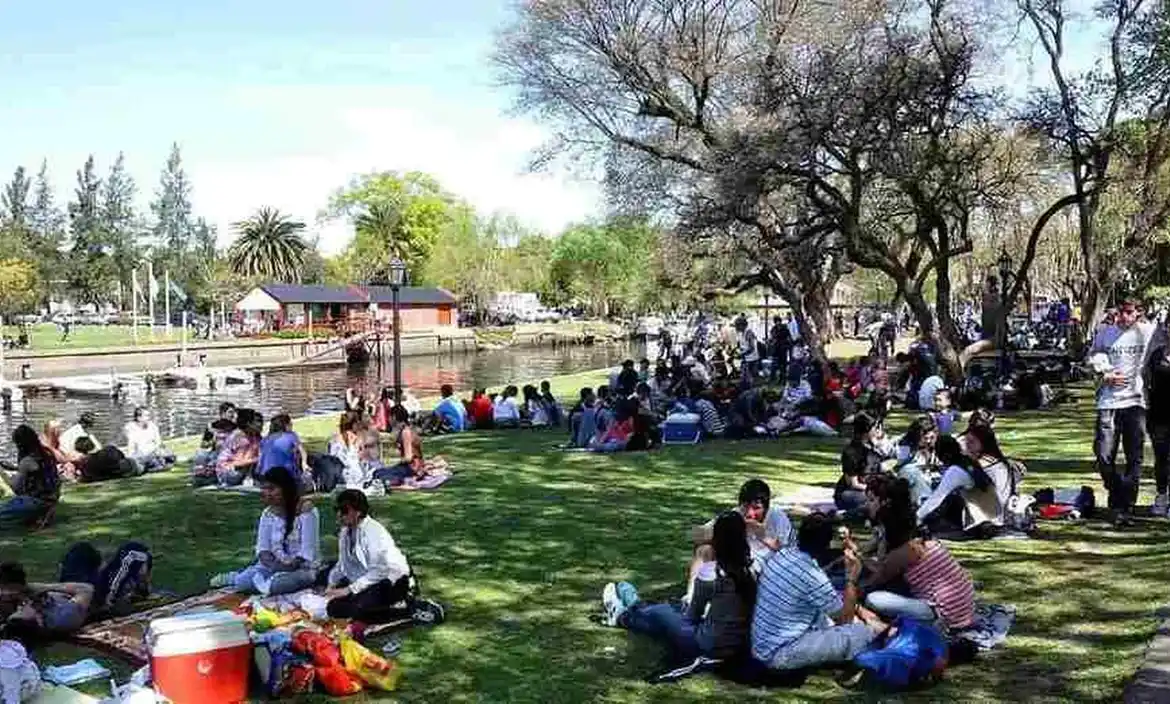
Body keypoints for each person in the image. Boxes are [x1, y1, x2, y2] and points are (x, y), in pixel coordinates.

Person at [602, 511, 757, 661]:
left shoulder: (711, 572)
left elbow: (693, 616)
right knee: (661, 617)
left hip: (702, 645)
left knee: (660, 613)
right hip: (736, 647)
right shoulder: (751, 571)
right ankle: (632, 604)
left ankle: (622, 615)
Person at [751, 513, 877, 671]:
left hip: (763, 645)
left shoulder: (782, 555)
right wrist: (851, 578)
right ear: (825, 546)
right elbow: (845, 620)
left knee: (831, 619)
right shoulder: (811, 575)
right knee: (861, 633)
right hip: (781, 652)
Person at [859, 477, 976, 632]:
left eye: (871, 500)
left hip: (943, 614)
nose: (867, 505)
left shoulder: (907, 549)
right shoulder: (917, 536)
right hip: (960, 608)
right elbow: (882, 566)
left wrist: (852, 583)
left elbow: (876, 579)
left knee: (872, 599)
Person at [1089, 299, 1161, 526]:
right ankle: (1117, 490)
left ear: (1139, 313)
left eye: (1129, 312)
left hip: (1136, 401)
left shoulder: (1149, 332)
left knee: (1134, 457)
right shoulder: (1105, 332)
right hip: (1108, 402)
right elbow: (1093, 356)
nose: (1124, 316)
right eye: (1121, 312)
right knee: (1103, 454)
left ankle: (1125, 506)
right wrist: (1105, 373)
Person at [1, 542, 152, 638]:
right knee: (132, 552)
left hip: (67, 587)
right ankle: (133, 582)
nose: (21, 607)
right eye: (22, 611)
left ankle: (105, 574)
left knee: (80, 550)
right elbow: (86, 589)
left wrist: (21, 591)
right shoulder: (59, 618)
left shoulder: (16, 606)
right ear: (38, 621)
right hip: (94, 596)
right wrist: (41, 587)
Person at [210, 466, 320, 595]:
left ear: (286, 489)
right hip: (273, 566)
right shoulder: (267, 514)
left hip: (302, 569)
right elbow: (263, 549)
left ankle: (263, 582)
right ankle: (237, 577)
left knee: (277, 586)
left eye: (272, 489)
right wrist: (273, 566)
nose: (266, 493)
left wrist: (286, 567)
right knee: (242, 583)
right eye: (264, 488)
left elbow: (307, 552)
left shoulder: (306, 511)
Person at [323, 490, 417, 623]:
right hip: (367, 578)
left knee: (356, 611)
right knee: (333, 607)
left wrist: (349, 590)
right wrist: (331, 584)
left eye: (344, 510)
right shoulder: (345, 532)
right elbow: (342, 563)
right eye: (337, 510)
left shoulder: (372, 532)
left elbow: (380, 571)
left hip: (392, 580)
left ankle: (405, 609)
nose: (339, 515)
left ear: (358, 512)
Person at [691, 479, 794, 581]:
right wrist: (721, 533)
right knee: (705, 550)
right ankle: (692, 592)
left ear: (766, 507)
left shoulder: (778, 517)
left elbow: (787, 552)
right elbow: (698, 534)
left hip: (768, 567)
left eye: (756, 508)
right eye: (745, 507)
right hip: (739, 561)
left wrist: (763, 536)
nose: (750, 513)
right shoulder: (736, 514)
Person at [834, 413, 894, 516]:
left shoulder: (875, 447)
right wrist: (874, 491)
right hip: (852, 491)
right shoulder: (851, 452)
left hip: (873, 489)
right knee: (877, 502)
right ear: (866, 431)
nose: (877, 430)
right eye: (875, 428)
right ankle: (846, 515)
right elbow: (853, 484)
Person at [0, 425, 61, 527]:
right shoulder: (47, 453)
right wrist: (15, 468)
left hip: (35, 502)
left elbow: (16, 489)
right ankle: (40, 516)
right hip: (53, 498)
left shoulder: (26, 461)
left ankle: (37, 515)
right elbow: (39, 472)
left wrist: (2, 472)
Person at [895, 416, 939, 506]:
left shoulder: (934, 446)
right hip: (911, 477)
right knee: (911, 471)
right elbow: (902, 467)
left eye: (931, 438)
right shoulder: (905, 445)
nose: (928, 441)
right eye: (925, 438)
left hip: (930, 476)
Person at [258, 414, 309, 483]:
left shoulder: (264, 439)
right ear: (285, 425)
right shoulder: (291, 436)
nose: (292, 425)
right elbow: (302, 451)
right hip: (286, 475)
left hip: (264, 475)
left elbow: (260, 458)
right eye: (290, 424)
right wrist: (304, 463)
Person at [123, 407, 175, 473]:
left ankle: (158, 464)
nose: (149, 418)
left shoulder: (152, 426)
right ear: (139, 418)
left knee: (169, 455)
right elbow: (131, 445)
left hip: (153, 452)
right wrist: (130, 458)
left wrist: (158, 451)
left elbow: (158, 442)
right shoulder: (131, 427)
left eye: (149, 415)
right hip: (140, 454)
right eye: (146, 416)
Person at [329, 411, 367, 490]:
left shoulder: (334, 438)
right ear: (354, 424)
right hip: (355, 471)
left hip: (336, 471)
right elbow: (361, 457)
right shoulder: (357, 438)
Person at [735, 317, 760, 385]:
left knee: (750, 379)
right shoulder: (741, 333)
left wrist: (741, 354)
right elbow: (741, 345)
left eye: (737, 325)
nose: (736, 327)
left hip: (752, 359)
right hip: (746, 358)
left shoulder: (749, 333)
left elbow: (752, 348)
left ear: (742, 325)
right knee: (744, 378)